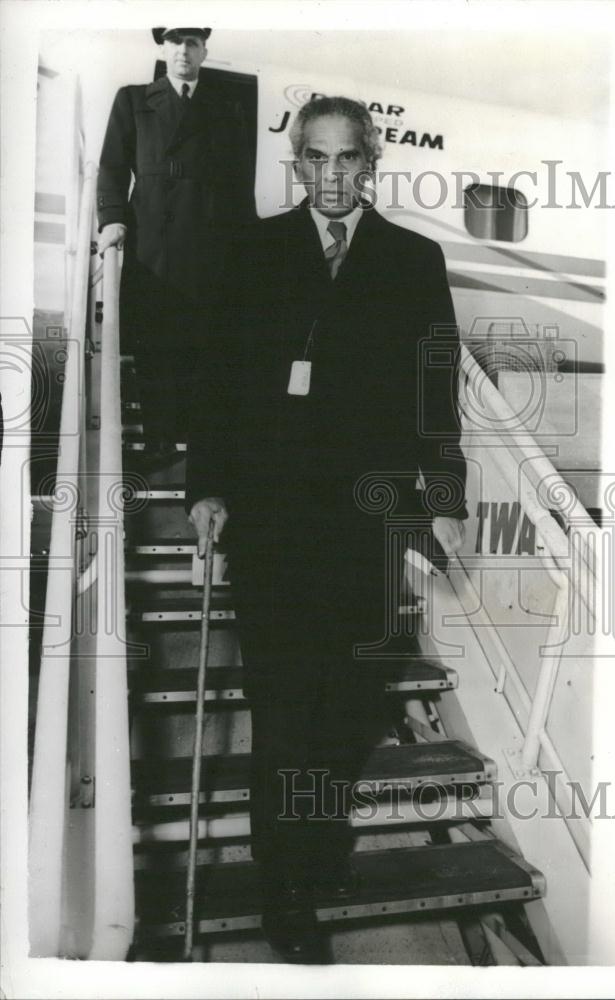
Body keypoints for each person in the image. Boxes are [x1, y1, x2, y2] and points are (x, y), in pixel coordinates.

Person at [187, 96, 468, 963]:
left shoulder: (413, 258)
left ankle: (319, 850)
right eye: (317, 158)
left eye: (350, 159)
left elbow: (435, 384)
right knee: (284, 706)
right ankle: (286, 884)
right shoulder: (254, 250)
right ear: (297, 164)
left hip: (372, 521)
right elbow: (218, 379)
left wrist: (446, 496)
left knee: (346, 709)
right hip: (273, 519)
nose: (333, 175)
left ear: (371, 162)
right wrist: (208, 487)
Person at [97, 26, 254, 462]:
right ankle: (161, 440)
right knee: (154, 340)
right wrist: (111, 220)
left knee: (202, 343)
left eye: (192, 43)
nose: (183, 51)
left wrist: (248, 243)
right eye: (175, 42)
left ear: (204, 51)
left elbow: (240, 185)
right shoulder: (134, 99)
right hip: (153, 242)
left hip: (207, 243)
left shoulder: (225, 109)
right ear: (163, 48)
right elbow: (112, 167)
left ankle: (198, 445)